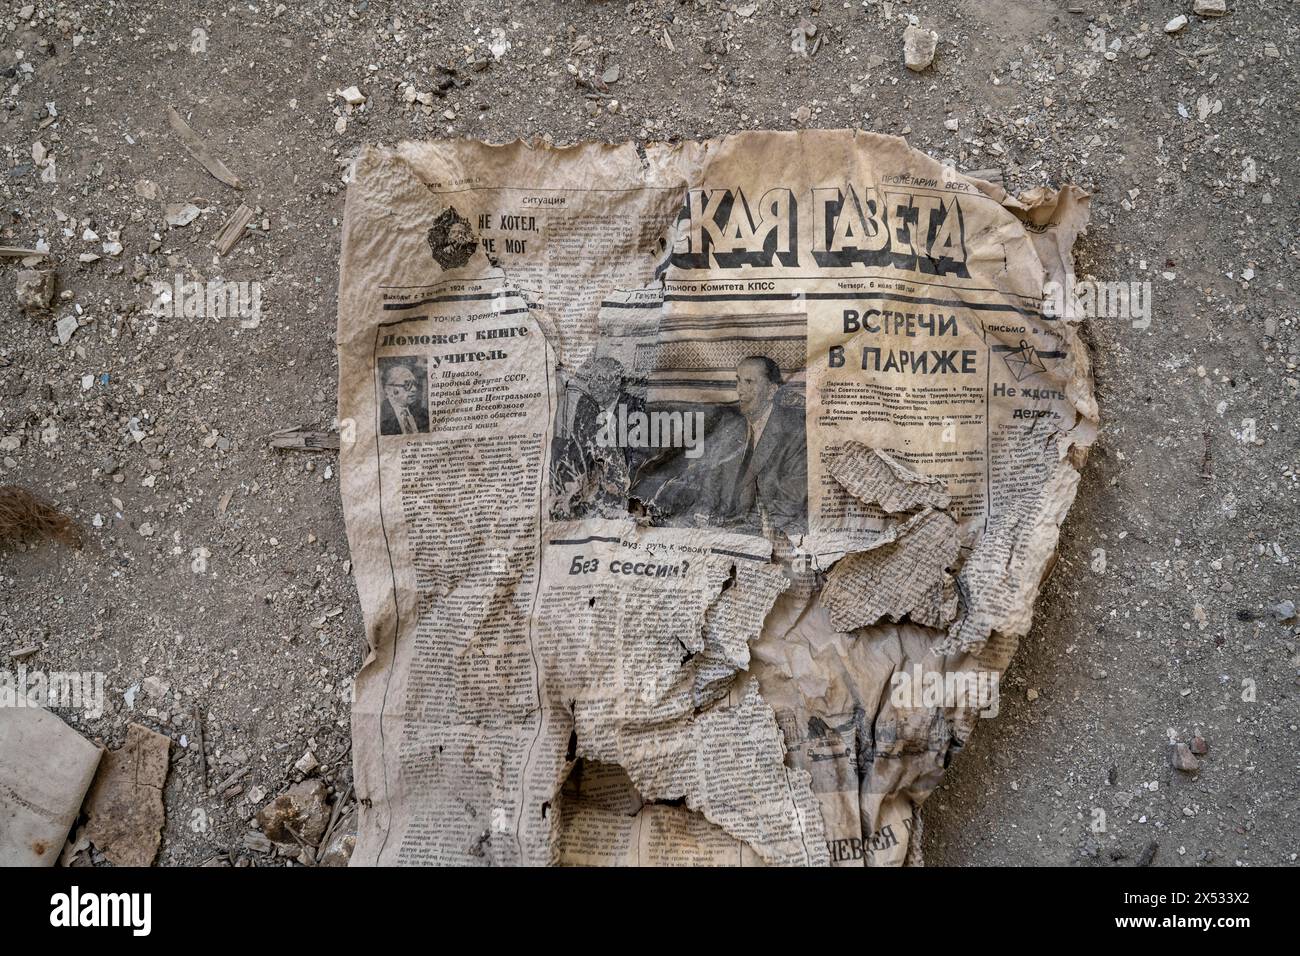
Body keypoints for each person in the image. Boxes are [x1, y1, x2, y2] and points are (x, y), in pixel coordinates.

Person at [649, 355, 807, 534]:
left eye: (749, 382)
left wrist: (728, 530)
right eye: (738, 381)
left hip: (764, 531)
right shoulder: (731, 427)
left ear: (771, 391)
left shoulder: (797, 432)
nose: (740, 390)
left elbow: (788, 506)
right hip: (721, 528)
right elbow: (711, 479)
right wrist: (703, 511)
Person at [379, 362, 428, 435]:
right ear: (388, 390)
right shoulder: (380, 417)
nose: (414, 389)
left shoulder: (423, 414)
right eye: (407, 385)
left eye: (414, 384)